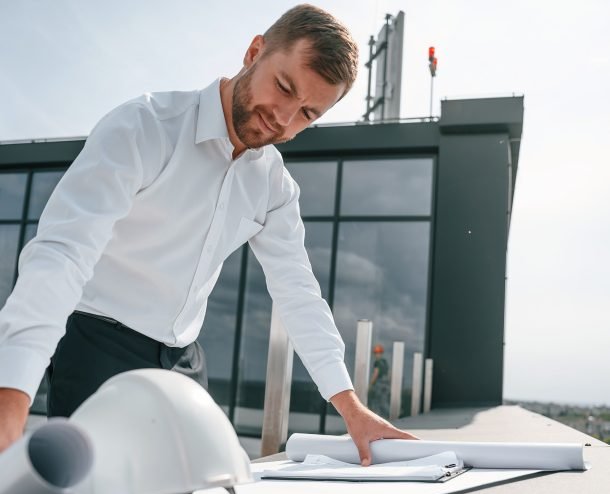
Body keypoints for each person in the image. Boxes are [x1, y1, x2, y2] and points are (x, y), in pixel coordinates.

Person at [0, 4, 418, 462]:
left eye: (307, 114)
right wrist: (12, 393)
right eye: (283, 87)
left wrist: (350, 406)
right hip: (98, 345)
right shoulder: (144, 126)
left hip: (184, 360)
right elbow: (63, 252)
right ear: (254, 51)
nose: (283, 118)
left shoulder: (274, 186)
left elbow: (299, 293)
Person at [368, 344, 391, 418]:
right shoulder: (384, 362)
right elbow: (389, 373)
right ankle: (387, 416)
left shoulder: (377, 362)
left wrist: (370, 384)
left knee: (377, 401)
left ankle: (378, 418)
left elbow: (375, 373)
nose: (376, 355)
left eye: (377, 353)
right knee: (384, 400)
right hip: (386, 383)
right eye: (376, 353)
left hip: (379, 383)